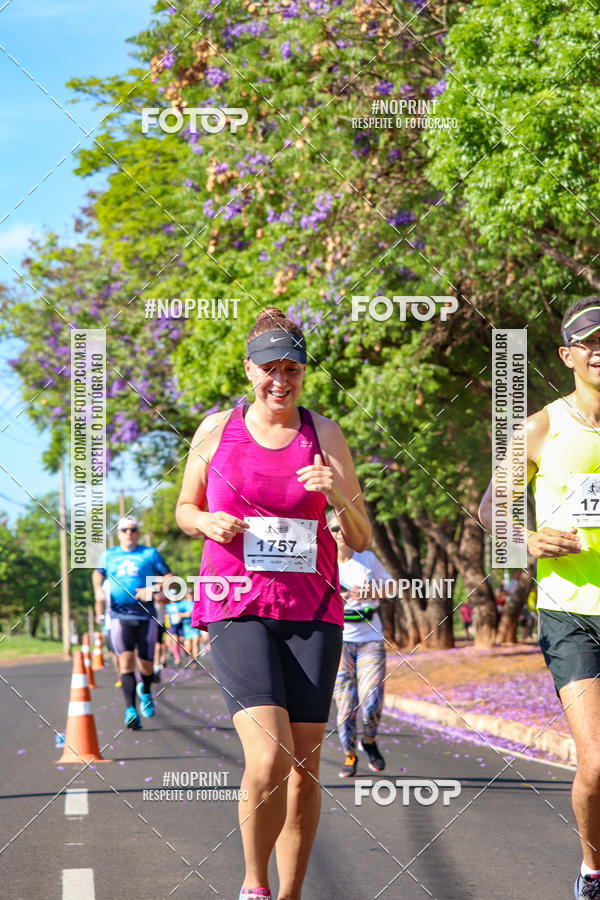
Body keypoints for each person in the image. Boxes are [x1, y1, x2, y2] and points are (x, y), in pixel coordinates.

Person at [176, 307, 370, 900]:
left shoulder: (325, 433)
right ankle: (253, 887)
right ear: (248, 369)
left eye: (292, 369)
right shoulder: (216, 430)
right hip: (237, 604)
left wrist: (334, 491)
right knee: (268, 758)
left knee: (306, 771)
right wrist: (207, 520)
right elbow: (184, 509)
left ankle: (289, 895)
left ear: (304, 373)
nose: (280, 381)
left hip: (312, 610)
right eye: (269, 369)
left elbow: (360, 536)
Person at [478, 297, 600, 899]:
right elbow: (488, 507)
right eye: (591, 341)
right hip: (572, 613)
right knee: (597, 764)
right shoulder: (544, 425)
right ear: (569, 355)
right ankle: (593, 870)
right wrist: (525, 538)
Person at [93, 516, 172, 730]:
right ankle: (130, 710)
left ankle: (145, 691)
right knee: (126, 663)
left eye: (133, 529)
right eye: (125, 530)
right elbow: (97, 574)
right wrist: (98, 592)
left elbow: (169, 576)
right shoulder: (109, 555)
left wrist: (153, 588)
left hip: (146, 616)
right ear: (118, 534)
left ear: (138, 532)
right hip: (119, 616)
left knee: (146, 666)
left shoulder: (150, 554)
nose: (129, 533)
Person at [329, 513, 388, 778]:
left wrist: (370, 592)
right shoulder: (320, 563)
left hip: (369, 638)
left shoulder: (367, 558)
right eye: (334, 529)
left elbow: (390, 589)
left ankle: (370, 740)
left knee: (372, 698)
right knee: (345, 703)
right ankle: (350, 754)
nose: (340, 534)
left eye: (343, 529)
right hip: (336, 640)